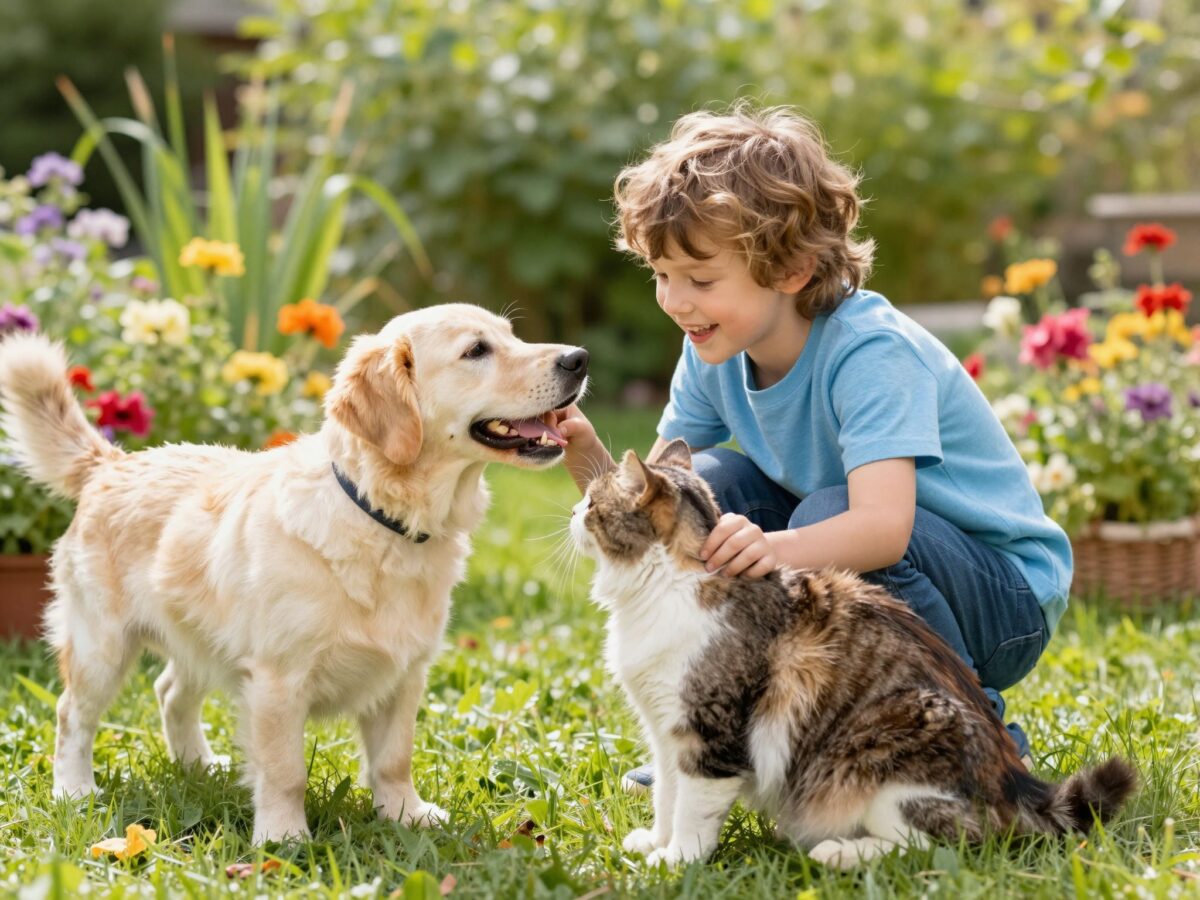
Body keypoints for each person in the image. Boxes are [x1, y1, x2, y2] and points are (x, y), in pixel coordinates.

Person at [551, 103, 1072, 790]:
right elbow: (655, 508)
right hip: (864, 555)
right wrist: (582, 450)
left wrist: (775, 549)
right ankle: (720, 733)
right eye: (661, 274)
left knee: (822, 513)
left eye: (700, 280)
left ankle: (975, 731)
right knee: (712, 480)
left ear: (792, 268)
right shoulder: (710, 347)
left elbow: (883, 531)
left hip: (1002, 601)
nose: (675, 301)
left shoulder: (871, 351)